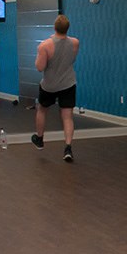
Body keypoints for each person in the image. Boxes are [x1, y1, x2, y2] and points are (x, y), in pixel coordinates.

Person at [32, 14, 79, 162]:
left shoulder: (45, 45)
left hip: (50, 85)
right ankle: (68, 147)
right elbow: (72, 59)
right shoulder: (75, 43)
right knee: (67, 116)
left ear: (54, 27)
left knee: (42, 109)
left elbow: (40, 67)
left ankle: (39, 138)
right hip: (68, 83)